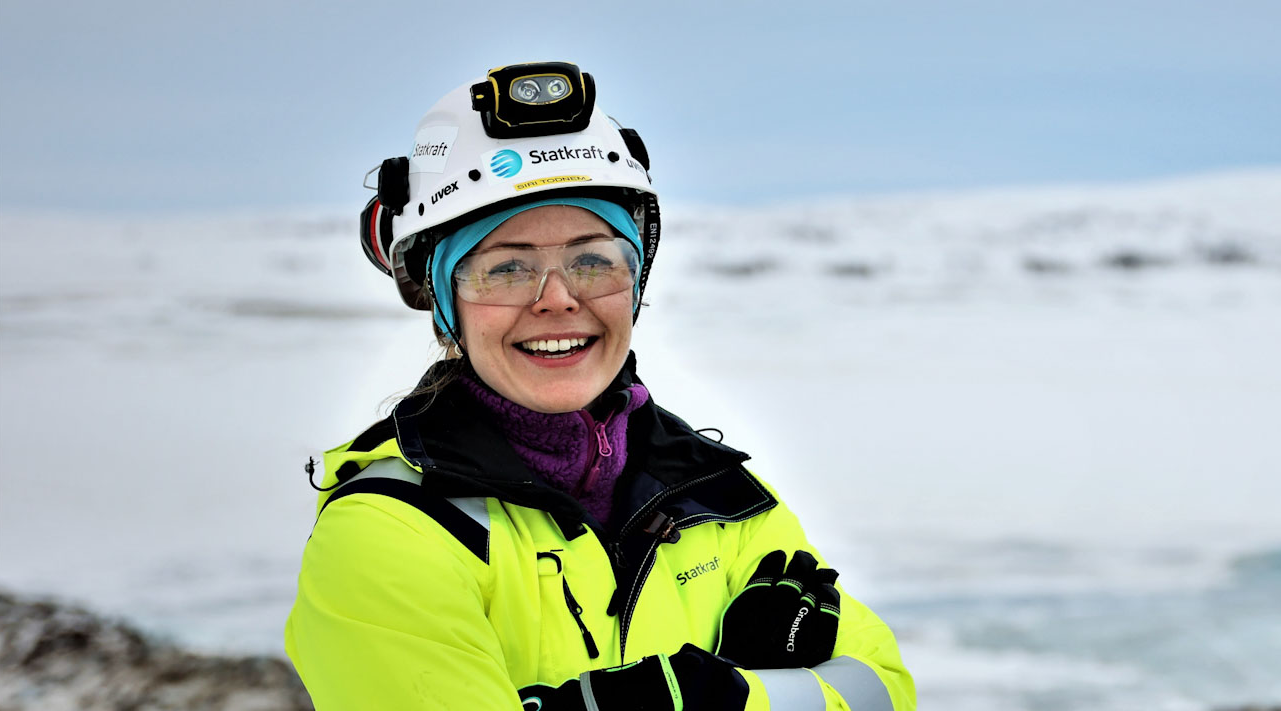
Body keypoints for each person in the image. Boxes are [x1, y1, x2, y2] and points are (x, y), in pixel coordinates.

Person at [284, 62, 914, 710]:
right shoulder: (392, 534)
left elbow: (886, 689)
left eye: (593, 260)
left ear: (635, 282)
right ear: (446, 301)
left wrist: (720, 695)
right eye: (506, 269)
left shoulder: (722, 500)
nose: (557, 299)